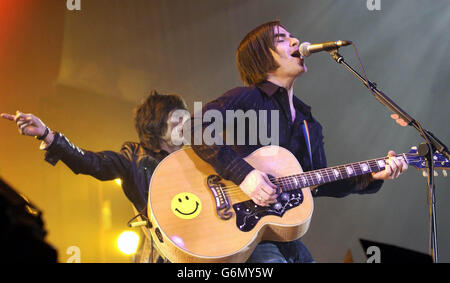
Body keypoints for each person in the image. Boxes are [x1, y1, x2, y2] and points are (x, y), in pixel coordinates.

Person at [190, 21, 408, 263]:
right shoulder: (248, 98)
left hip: (284, 235)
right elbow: (194, 127)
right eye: (281, 39)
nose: (295, 41)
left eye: (292, 36)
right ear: (261, 56)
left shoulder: (308, 122)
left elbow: (318, 181)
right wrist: (243, 174)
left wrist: (371, 175)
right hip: (246, 232)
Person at [1, 90, 188, 262]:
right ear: (157, 123)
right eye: (176, 117)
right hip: (163, 256)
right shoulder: (135, 157)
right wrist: (47, 135)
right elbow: (91, 162)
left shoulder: (197, 156)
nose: (185, 123)